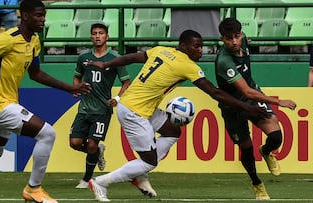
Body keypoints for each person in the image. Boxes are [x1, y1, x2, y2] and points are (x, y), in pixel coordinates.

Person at [85, 29, 272, 202]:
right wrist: (247, 108)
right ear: (184, 46)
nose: (201, 50)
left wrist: (107, 64)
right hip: (134, 112)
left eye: (202, 46)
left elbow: (132, 57)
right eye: (196, 46)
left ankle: (139, 173)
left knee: (173, 131)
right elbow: (215, 93)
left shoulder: (161, 50)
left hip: (141, 107)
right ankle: (101, 182)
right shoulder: (187, 65)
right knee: (149, 162)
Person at [0, 0, 91, 203]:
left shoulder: (34, 41)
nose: (42, 19)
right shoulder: (7, 39)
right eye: (38, 15)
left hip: (8, 101)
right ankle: (33, 189)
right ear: (24, 15)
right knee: (47, 134)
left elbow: (35, 74)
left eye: (43, 15)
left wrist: (69, 87)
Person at [214, 18, 297, 200]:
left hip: (251, 97)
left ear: (241, 34)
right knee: (246, 148)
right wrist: (278, 101)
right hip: (233, 106)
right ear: (222, 39)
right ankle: (257, 183)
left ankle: (266, 151)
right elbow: (247, 92)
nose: (234, 42)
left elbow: (250, 92)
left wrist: (246, 41)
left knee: (276, 136)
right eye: (229, 39)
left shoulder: (243, 41)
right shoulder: (224, 61)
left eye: (237, 36)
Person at [69, 23, 130, 189]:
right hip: (84, 108)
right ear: (91, 37)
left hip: (102, 110)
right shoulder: (83, 58)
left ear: (107, 37)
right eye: (94, 33)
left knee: (91, 144)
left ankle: (86, 179)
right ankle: (98, 152)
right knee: (74, 143)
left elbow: (126, 82)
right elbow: (77, 77)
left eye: (101, 33)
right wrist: (76, 88)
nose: (97, 36)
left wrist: (117, 98)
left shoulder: (114, 58)